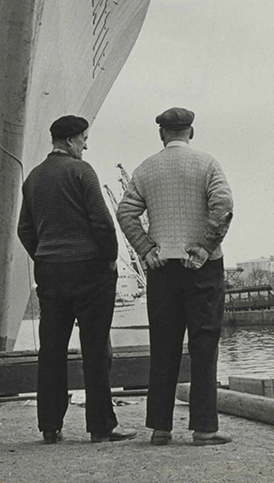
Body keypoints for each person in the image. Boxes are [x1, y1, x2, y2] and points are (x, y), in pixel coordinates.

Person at [116, 107, 234, 446]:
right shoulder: (208, 165)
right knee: (204, 345)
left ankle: (160, 428)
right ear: (191, 132)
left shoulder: (146, 169)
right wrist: (204, 246)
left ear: (162, 134)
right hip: (203, 268)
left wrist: (145, 247)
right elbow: (223, 206)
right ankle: (204, 428)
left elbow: (126, 211)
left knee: (164, 347)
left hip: (162, 268)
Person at [17, 115, 136, 445]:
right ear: (70, 141)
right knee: (95, 349)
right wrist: (110, 258)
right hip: (89, 272)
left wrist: (45, 254)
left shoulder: (34, 178)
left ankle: (50, 426)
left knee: (51, 350)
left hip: (50, 274)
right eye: (84, 138)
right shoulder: (82, 172)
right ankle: (101, 426)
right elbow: (102, 222)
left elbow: (24, 229)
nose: (86, 144)